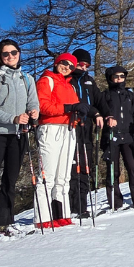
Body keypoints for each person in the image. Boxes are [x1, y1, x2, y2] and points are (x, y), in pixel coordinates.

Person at [0, 39, 40, 244]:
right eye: (6, 54)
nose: (10, 56)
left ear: (19, 53)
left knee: (10, 181)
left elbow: (33, 101)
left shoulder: (27, 78)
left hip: (19, 134)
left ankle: (4, 222)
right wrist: (12, 118)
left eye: (14, 52)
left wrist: (34, 112)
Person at [35, 53, 96, 228]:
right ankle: (43, 217)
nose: (67, 67)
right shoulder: (47, 80)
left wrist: (80, 115)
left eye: (71, 66)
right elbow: (43, 106)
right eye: (64, 63)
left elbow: (77, 105)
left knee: (63, 176)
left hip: (69, 129)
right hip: (51, 128)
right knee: (48, 175)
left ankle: (62, 215)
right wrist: (69, 108)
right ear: (57, 63)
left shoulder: (69, 85)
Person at [99, 65, 134, 209]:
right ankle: (115, 202)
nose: (119, 79)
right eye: (116, 76)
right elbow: (100, 113)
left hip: (128, 135)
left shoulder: (130, 94)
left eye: (122, 76)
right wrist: (107, 118)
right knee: (113, 169)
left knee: (133, 167)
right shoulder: (105, 95)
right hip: (111, 136)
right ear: (110, 78)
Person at [68, 49, 105, 217]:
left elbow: (99, 101)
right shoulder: (67, 80)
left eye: (86, 65)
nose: (83, 68)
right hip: (70, 127)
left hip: (87, 128)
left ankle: (82, 204)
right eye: (80, 64)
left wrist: (102, 114)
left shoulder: (89, 81)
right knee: (72, 167)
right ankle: (71, 205)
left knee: (85, 165)